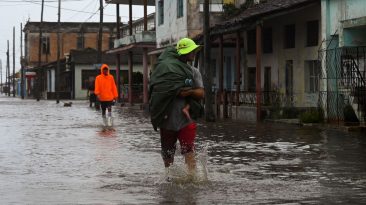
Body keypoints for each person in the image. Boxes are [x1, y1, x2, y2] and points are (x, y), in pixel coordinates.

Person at [149, 38, 204, 175]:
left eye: (194, 50)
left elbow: (201, 93)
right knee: (168, 154)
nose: (194, 53)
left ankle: (192, 179)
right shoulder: (163, 73)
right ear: (182, 53)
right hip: (167, 120)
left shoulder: (193, 72)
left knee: (189, 151)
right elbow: (156, 92)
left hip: (186, 120)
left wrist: (189, 92)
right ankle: (169, 179)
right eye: (191, 50)